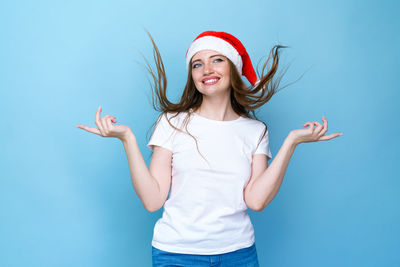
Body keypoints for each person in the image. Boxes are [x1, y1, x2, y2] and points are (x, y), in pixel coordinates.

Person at [76, 31, 342, 267]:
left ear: (233, 69)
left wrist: (291, 142)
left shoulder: (255, 131)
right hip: (176, 254)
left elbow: (256, 200)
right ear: (192, 76)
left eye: (217, 59)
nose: (206, 69)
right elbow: (153, 199)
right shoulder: (172, 122)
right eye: (197, 64)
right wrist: (128, 139)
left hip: (239, 254)